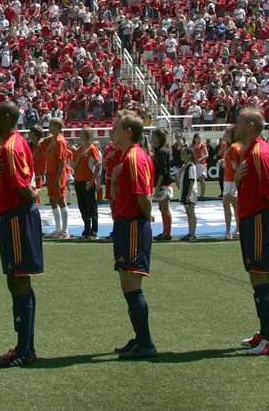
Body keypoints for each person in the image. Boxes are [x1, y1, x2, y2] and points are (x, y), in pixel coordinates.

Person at [0, 101, 44, 368]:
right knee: (17, 281)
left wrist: (32, 194)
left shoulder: (10, 148)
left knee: (19, 281)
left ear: (8, 118)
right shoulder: (11, 145)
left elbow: (23, 189)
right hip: (12, 218)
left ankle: (24, 350)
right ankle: (24, 346)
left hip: (18, 219)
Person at [233, 107, 269, 356]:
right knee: (256, 275)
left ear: (251, 126)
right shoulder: (252, 151)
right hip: (251, 217)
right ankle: (265, 332)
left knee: (261, 275)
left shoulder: (259, 152)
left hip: (259, 219)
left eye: (240, 122)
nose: (235, 125)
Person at [109, 113, 157, 359]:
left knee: (132, 283)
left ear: (128, 131)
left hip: (133, 226)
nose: (112, 130)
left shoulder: (135, 157)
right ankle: (140, 338)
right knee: (127, 284)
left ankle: (146, 342)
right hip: (124, 224)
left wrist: (146, 218)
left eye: (116, 127)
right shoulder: (126, 157)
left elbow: (143, 197)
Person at [43, 119, 73, 239]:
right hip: (51, 173)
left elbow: (62, 161)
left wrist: (58, 178)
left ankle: (65, 230)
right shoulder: (53, 139)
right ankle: (58, 229)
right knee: (53, 200)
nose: (49, 127)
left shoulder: (60, 141)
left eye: (51, 125)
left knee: (61, 199)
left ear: (57, 126)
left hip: (57, 174)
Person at [73, 129, 101, 239]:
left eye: (82, 134)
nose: (80, 135)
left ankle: (94, 230)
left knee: (91, 206)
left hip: (88, 181)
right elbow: (74, 166)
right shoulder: (80, 149)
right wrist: (79, 156)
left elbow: (98, 164)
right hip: (78, 180)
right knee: (82, 206)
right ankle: (86, 228)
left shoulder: (92, 148)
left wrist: (92, 180)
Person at [149, 128, 175, 241]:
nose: (152, 139)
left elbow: (162, 171)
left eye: (154, 137)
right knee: (162, 208)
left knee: (164, 208)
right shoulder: (159, 150)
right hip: (163, 183)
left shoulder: (160, 151)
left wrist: (158, 186)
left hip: (164, 184)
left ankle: (168, 232)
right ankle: (165, 231)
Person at [219, 127, 240, 240]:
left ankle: (230, 230)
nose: (224, 134)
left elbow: (235, 166)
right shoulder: (231, 146)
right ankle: (236, 229)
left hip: (231, 180)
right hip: (229, 179)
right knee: (234, 205)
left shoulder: (232, 147)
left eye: (227, 132)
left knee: (228, 203)